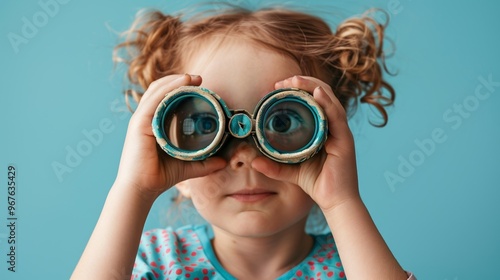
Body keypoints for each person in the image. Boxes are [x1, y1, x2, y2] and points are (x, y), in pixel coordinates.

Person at [72, 3, 416, 280]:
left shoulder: (356, 266)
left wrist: (342, 201)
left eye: (281, 121)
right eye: (207, 123)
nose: (245, 155)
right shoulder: (154, 261)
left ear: (327, 138)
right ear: (166, 145)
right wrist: (133, 188)